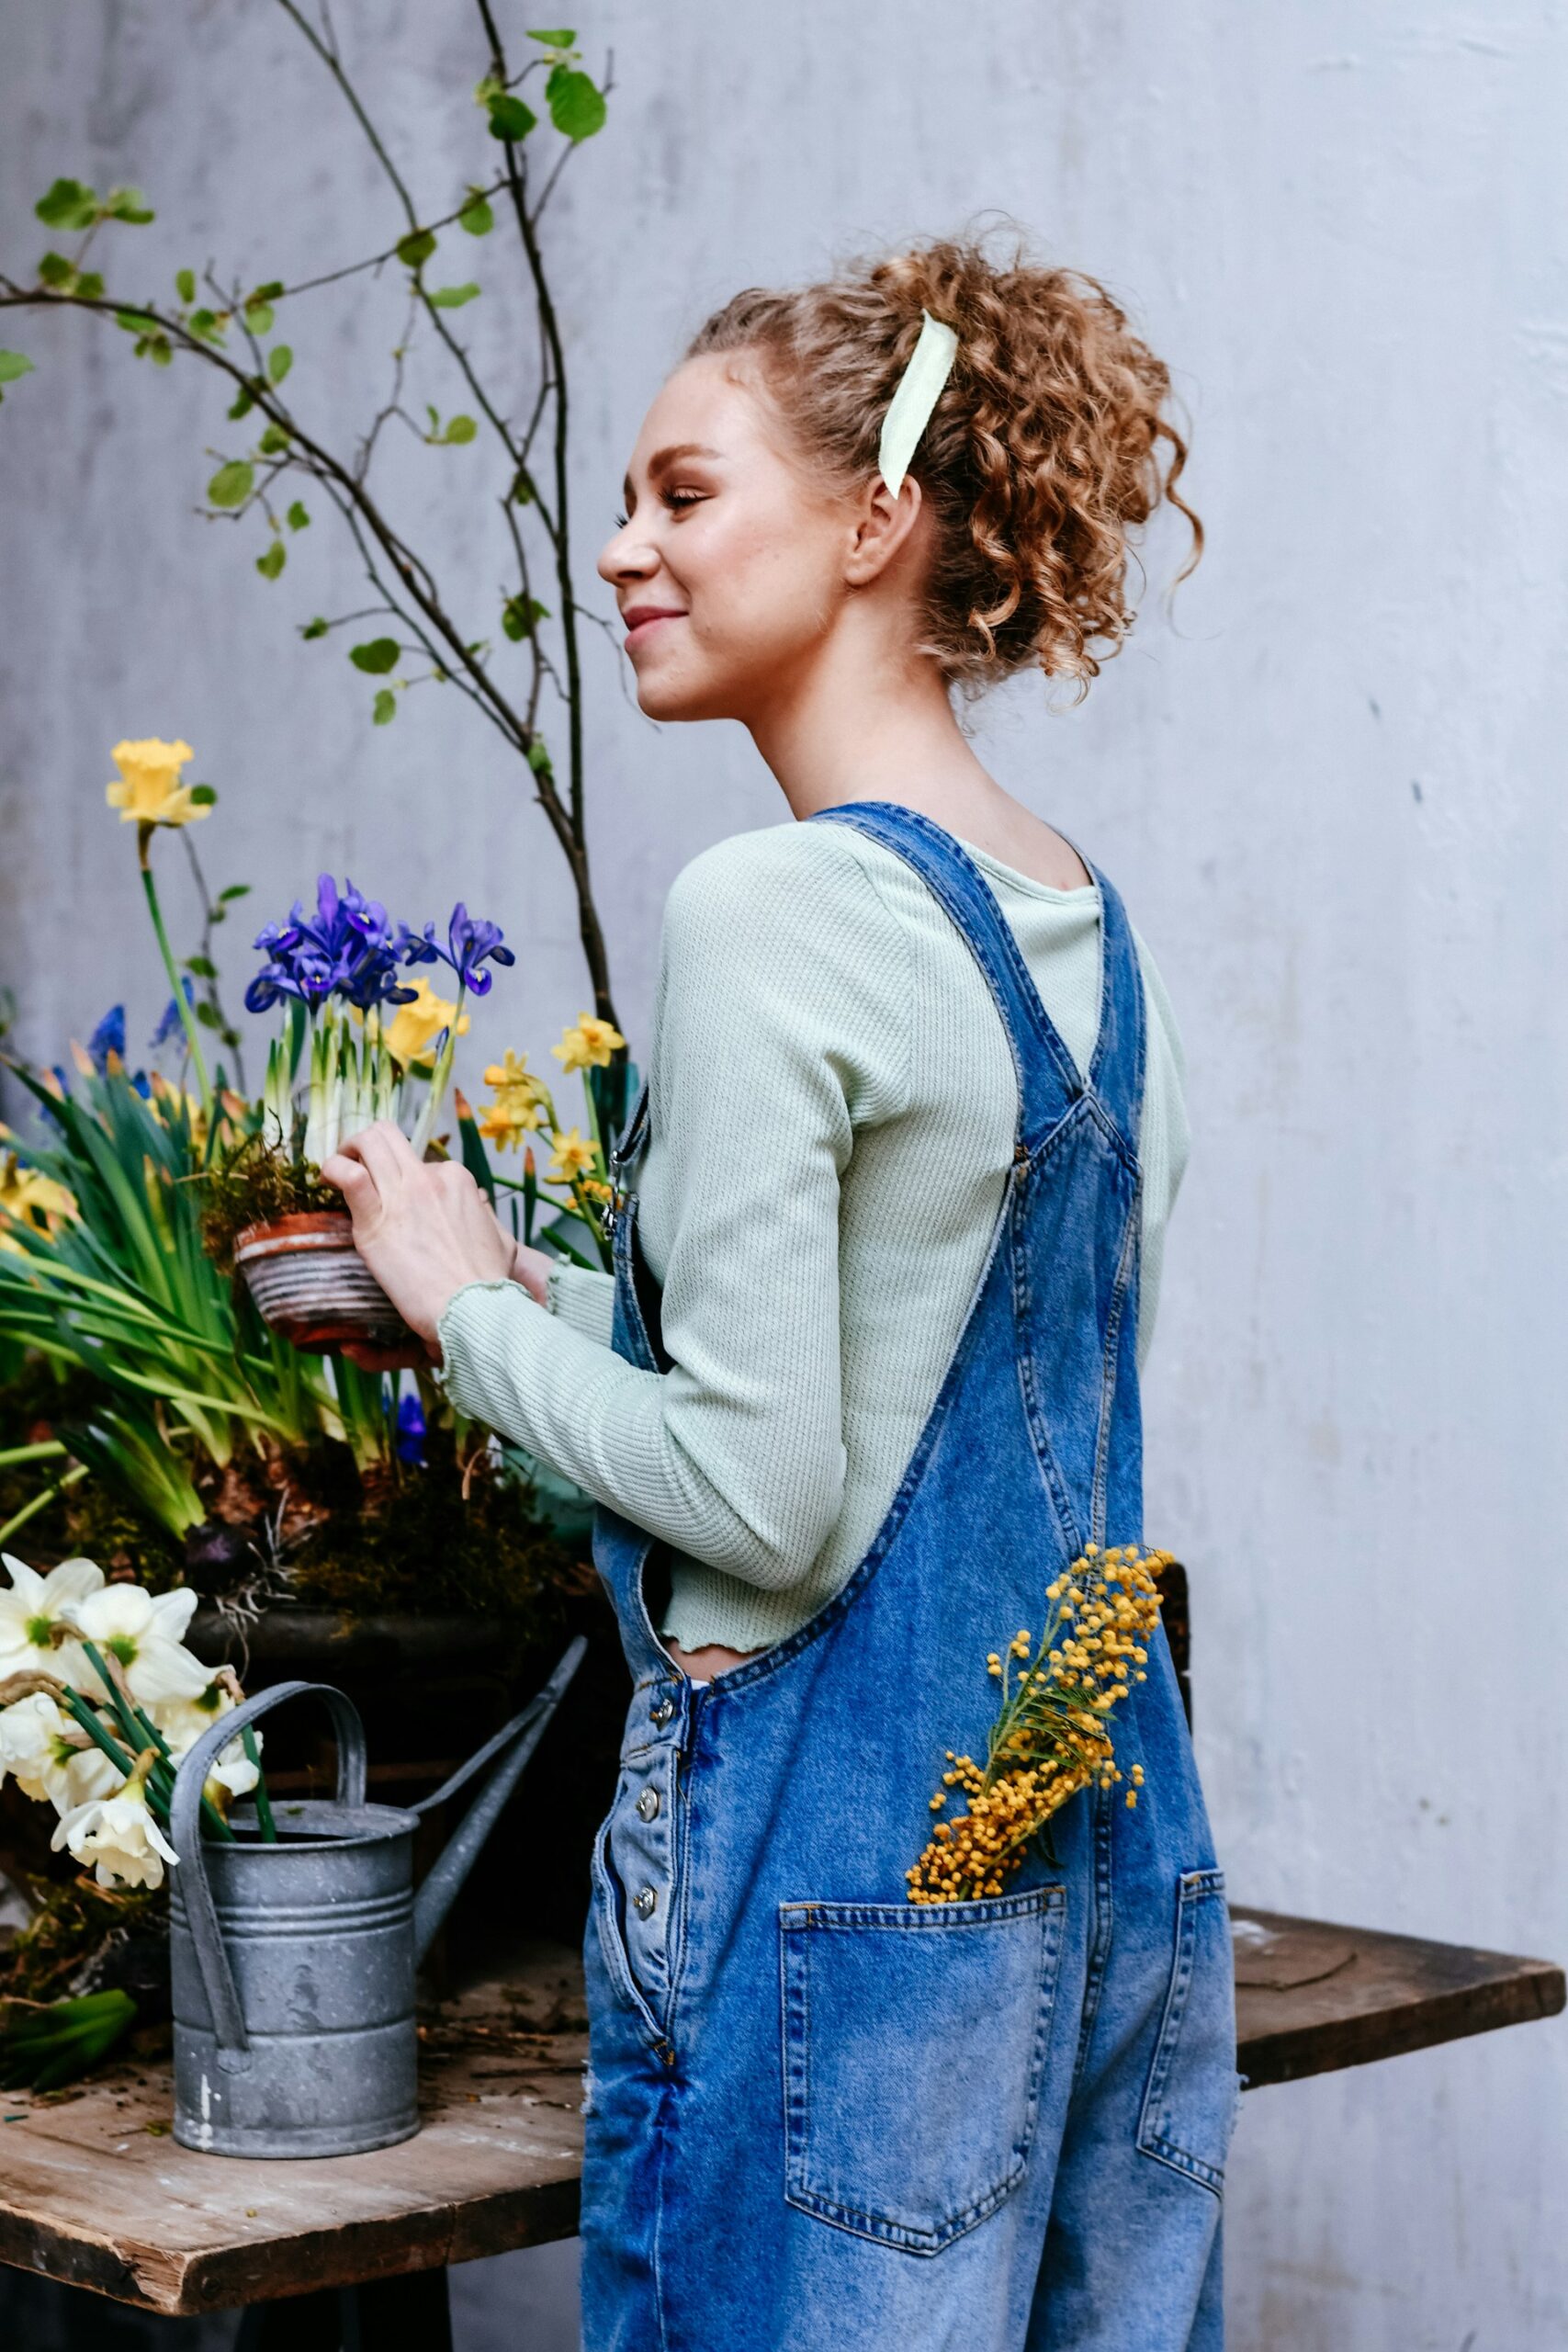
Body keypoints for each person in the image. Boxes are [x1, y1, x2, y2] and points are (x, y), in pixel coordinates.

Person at [323, 234, 1238, 2352]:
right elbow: (938, 1366)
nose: (619, 547)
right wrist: (530, 1284)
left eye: (677, 491)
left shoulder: (763, 906)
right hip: (1106, 1854)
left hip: (835, 1886)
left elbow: (766, 1498)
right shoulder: (1083, 930)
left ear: (869, 519)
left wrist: (470, 1319)